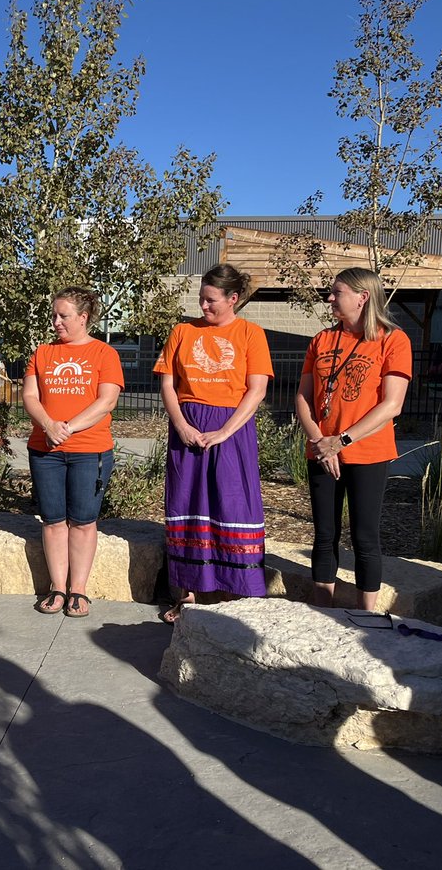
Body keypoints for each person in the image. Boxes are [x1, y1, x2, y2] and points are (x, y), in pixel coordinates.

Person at [155, 264, 274, 623]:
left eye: (211, 300)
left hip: (231, 429)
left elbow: (257, 389)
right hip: (187, 427)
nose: (204, 306)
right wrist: (182, 425)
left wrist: (225, 431)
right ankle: (188, 594)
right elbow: (167, 384)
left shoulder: (251, 334)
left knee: (232, 504)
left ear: (233, 299)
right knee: (187, 503)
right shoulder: (182, 331)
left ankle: (234, 595)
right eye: (201, 299)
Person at [295, 267, 412, 610]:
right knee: (324, 534)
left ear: (363, 297)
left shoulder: (393, 339)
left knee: (364, 536)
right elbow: (303, 397)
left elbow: (392, 404)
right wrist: (320, 441)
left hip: (368, 453)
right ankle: (323, 610)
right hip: (321, 451)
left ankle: (368, 617)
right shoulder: (321, 340)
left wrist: (341, 441)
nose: (330, 298)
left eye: (337, 292)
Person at [23, 287, 124, 619]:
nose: (56, 322)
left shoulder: (104, 353)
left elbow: (106, 401)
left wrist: (66, 427)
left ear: (83, 317)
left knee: (82, 522)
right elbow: (30, 396)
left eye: (63, 316)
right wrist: (49, 425)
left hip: (89, 450)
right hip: (45, 450)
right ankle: (57, 588)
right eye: (54, 315)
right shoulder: (42, 353)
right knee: (52, 521)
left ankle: (78, 590)